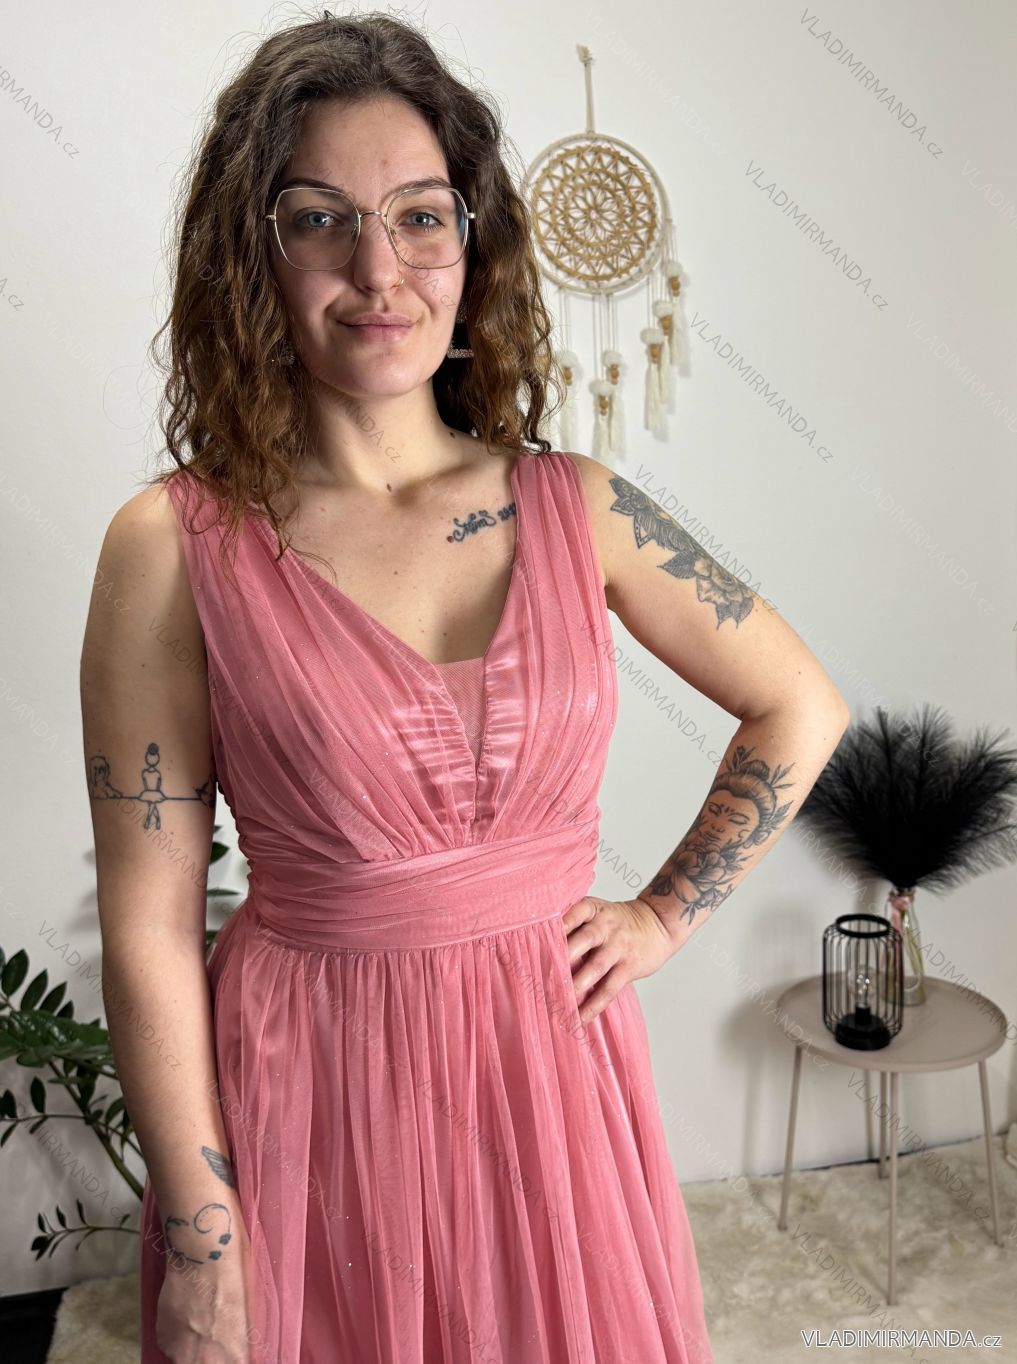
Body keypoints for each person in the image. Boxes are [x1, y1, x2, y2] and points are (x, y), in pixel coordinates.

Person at [80, 12, 850, 1363]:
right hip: (312, 1098)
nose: (378, 270)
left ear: (471, 242)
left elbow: (801, 703)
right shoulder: (176, 543)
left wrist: (663, 915)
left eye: (420, 218)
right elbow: (149, 929)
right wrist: (201, 1238)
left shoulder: (578, 506)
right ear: (250, 251)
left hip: (551, 1087)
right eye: (320, 220)